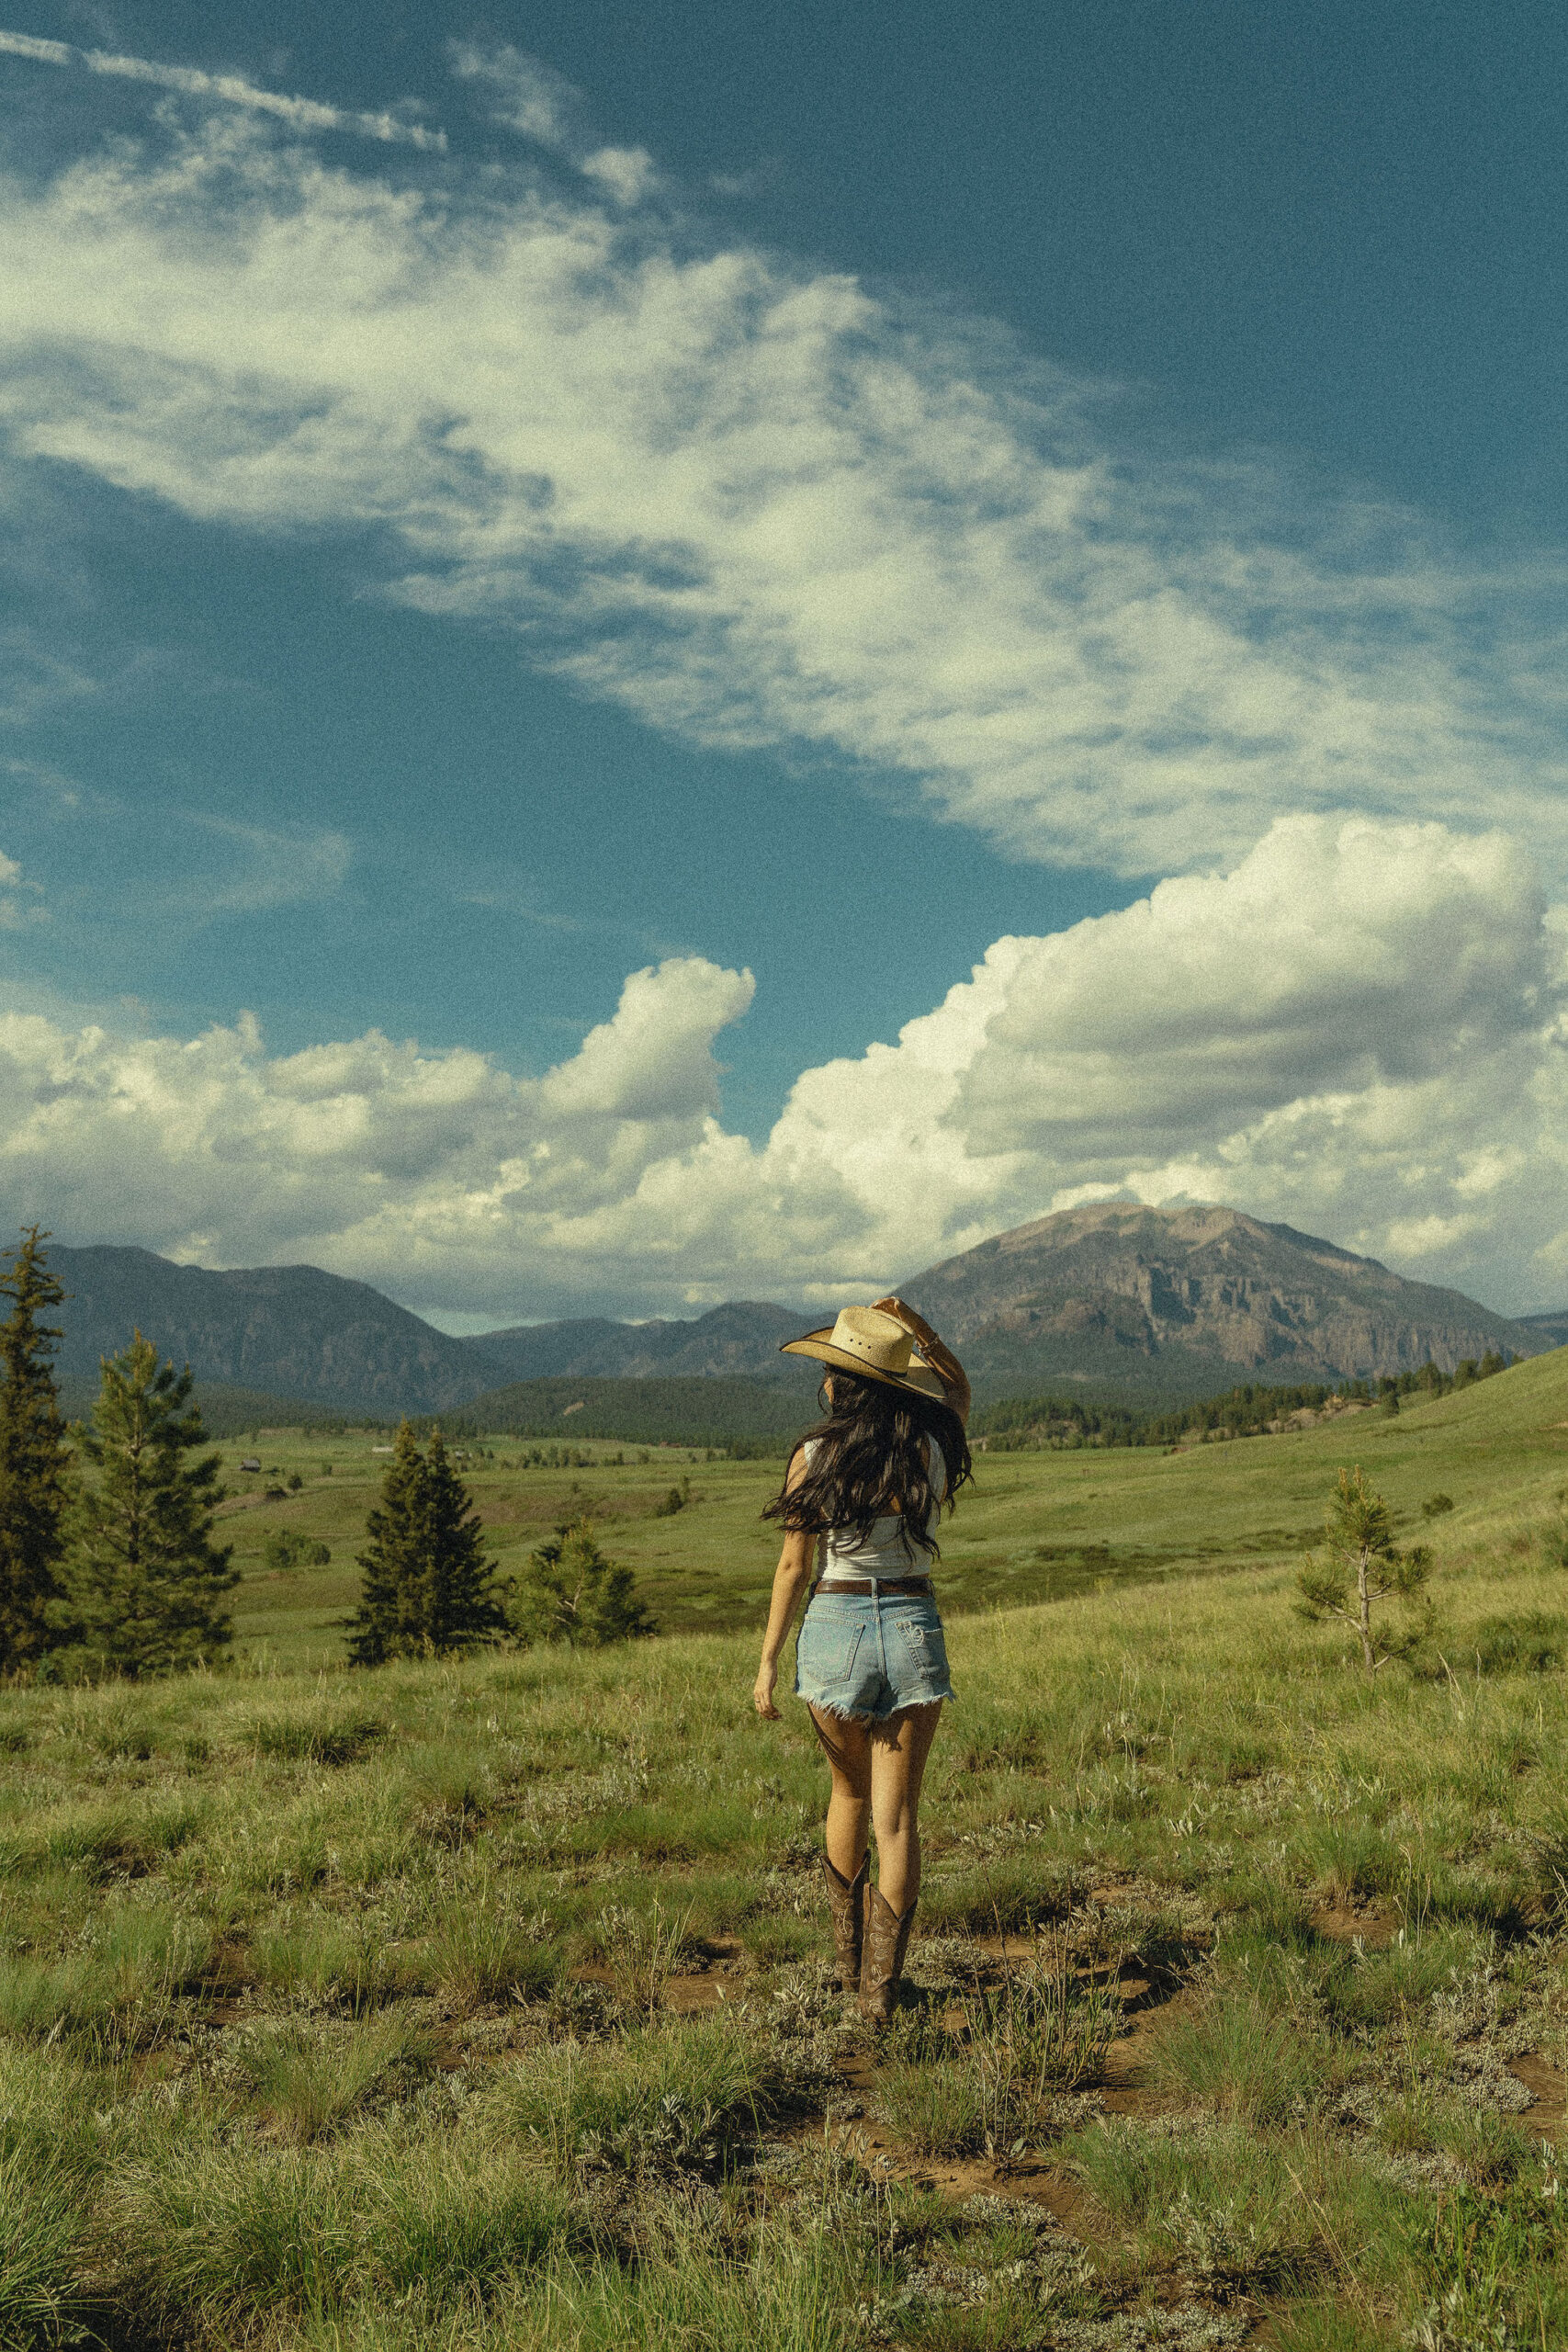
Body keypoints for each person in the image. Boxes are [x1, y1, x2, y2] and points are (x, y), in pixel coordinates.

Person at [752, 1295, 972, 2023]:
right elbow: (958, 1390)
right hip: (910, 1622)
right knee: (898, 1820)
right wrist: (921, 1329)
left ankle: (847, 1974)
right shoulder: (931, 1443)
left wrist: (765, 1664)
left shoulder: (813, 1454)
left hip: (834, 1624)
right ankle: (882, 1995)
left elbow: (793, 1565)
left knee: (846, 1795)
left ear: (839, 1385)